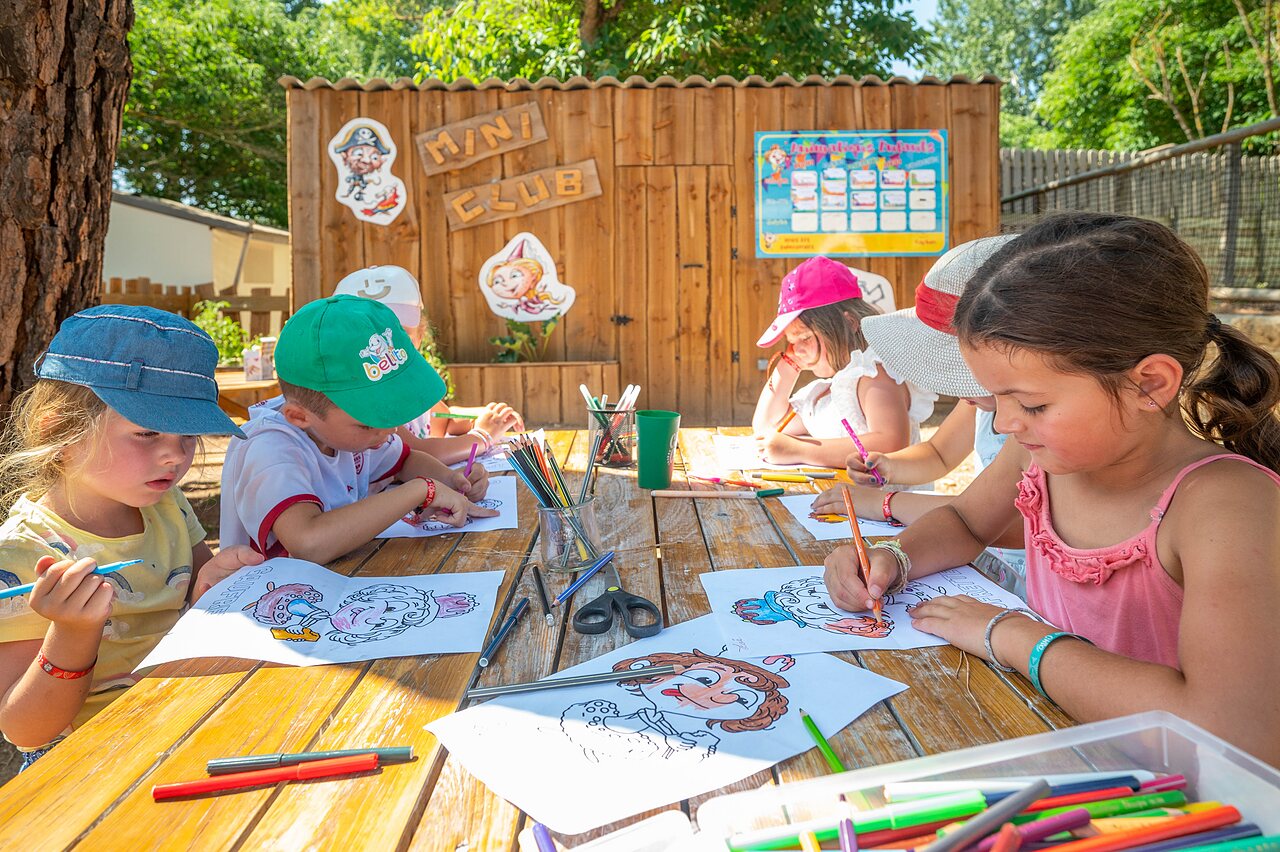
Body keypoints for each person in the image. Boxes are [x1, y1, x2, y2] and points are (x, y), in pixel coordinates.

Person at [824, 213, 1280, 764]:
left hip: (1178, 805)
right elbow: (968, 522)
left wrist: (1015, 638)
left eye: (1033, 404)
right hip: (1053, 740)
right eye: (997, 398)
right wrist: (893, 557)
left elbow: (1226, 731)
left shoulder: (1228, 508)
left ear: (1150, 384)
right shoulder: (1042, 452)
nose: (1003, 424)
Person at [0, 306, 264, 768]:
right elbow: (25, 729)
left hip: (184, 723)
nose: (174, 456)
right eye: (147, 433)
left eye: (188, 436)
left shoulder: (167, 506)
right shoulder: (24, 552)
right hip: (88, 765)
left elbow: (195, 609)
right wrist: (72, 633)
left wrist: (215, 586)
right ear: (60, 430)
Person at [810, 236, 1027, 595]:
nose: (1005, 422)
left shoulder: (1034, 427)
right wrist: (889, 467)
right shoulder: (978, 404)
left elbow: (1010, 521)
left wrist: (886, 504)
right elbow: (939, 454)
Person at [220, 295, 498, 566]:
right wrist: (419, 491)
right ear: (298, 416)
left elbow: (406, 460)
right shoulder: (268, 448)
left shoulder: (349, 433)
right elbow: (308, 542)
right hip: (269, 601)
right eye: (367, 422)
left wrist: (451, 480)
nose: (389, 430)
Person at [752, 256, 935, 469]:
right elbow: (768, 427)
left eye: (805, 338)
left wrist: (799, 450)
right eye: (791, 342)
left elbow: (890, 442)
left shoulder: (873, 374)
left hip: (885, 501)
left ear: (849, 323)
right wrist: (790, 364)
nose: (796, 350)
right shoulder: (828, 391)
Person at [332, 265, 524, 465]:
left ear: (420, 336)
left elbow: (443, 418)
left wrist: (489, 417)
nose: (386, 345)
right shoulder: (360, 396)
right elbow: (415, 454)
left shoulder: (412, 381)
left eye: (398, 333)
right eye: (367, 334)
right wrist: (482, 436)